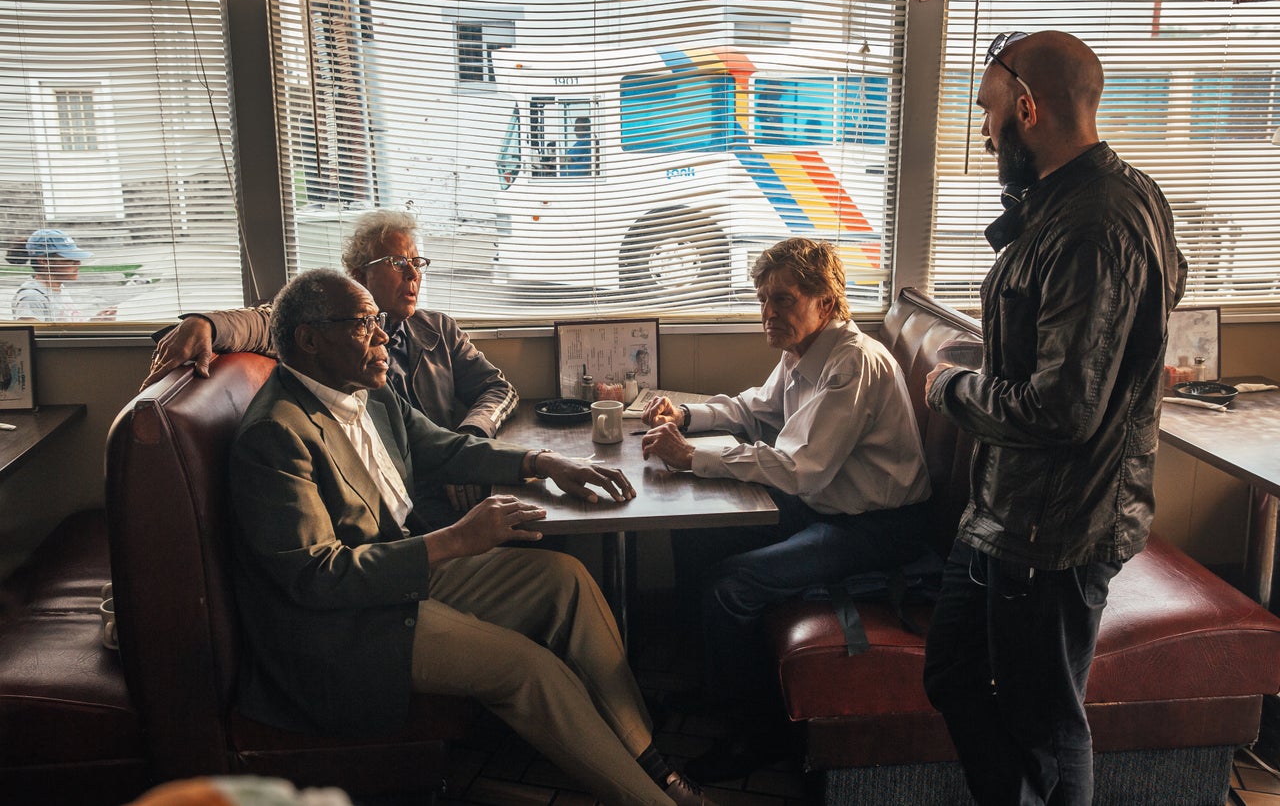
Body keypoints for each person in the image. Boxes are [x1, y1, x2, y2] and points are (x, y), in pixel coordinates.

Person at [229, 267, 718, 806]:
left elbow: (447, 448)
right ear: (309, 339)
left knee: (566, 579)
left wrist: (546, 461)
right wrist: (456, 540)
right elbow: (315, 577)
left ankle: (648, 760)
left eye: (378, 321)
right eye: (365, 323)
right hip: (346, 626)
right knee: (525, 668)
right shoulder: (276, 434)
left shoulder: (369, 392)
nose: (383, 335)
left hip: (404, 577)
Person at [921, 31, 1187, 806]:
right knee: (953, 672)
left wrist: (950, 388)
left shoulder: (1095, 223)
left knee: (1047, 725)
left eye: (989, 111)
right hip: (1009, 511)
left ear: (1027, 108)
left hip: (1058, 528)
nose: (983, 130)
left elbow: (1062, 407)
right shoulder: (1075, 201)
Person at [639, 236, 932, 782]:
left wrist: (692, 457)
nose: (767, 312)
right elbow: (756, 408)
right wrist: (687, 415)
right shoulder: (804, 351)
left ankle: (757, 734)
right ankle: (710, 682)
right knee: (693, 536)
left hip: (875, 528)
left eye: (783, 300)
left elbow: (802, 470)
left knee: (732, 585)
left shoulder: (851, 365)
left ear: (825, 302)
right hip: (827, 509)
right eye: (763, 298)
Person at [143, 209, 516, 515]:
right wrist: (207, 323)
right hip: (391, 501)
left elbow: (498, 389)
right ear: (358, 275)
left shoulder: (437, 329)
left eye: (416, 262)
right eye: (397, 262)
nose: (413, 274)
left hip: (452, 478)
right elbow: (267, 321)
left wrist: (473, 434)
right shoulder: (325, 332)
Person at [9, 229, 116, 322]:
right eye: (70, 258)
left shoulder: (57, 288)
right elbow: (36, 341)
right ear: (44, 261)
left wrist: (93, 323)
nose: (78, 263)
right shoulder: (32, 298)